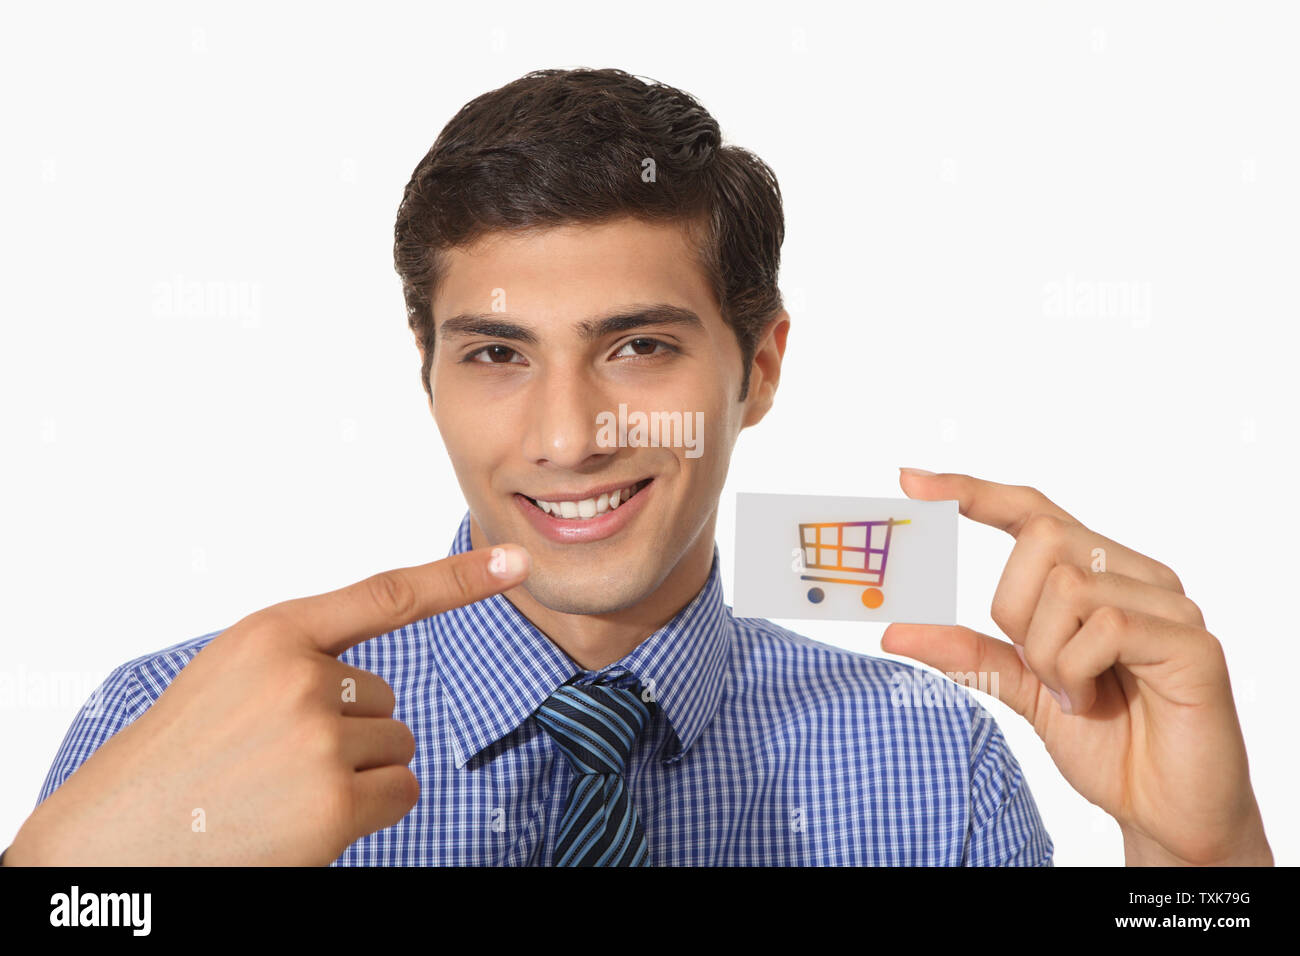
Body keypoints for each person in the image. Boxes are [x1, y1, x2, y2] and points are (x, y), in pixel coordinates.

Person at [2, 68, 1271, 866]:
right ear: (425, 368)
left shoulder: (937, 772)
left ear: (758, 368)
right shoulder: (173, 730)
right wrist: (69, 888)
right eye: (497, 351)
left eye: (638, 347)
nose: (565, 437)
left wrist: (1200, 858)